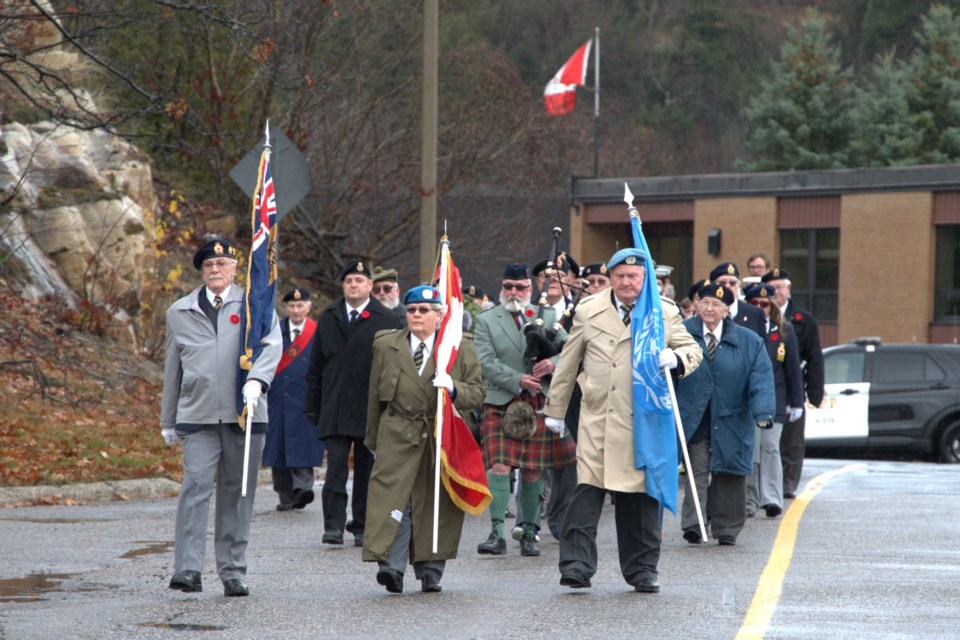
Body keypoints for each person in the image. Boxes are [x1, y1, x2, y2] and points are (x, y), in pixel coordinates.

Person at [544, 248, 702, 594]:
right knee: (585, 494)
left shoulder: (662, 311)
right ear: (611, 278)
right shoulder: (588, 310)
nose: (626, 281)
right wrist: (555, 410)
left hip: (642, 421)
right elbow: (569, 363)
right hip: (599, 417)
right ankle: (576, 565)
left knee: (640, 501)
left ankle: (642, 569)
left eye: (634, 276)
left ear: (644, 278)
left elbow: (694, 350)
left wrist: (675, 357)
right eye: (620, 276)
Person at [161, 237, 282, 597]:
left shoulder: (254, 304)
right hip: (197, 415)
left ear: (234, 268)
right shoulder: (179, 311)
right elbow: (173, 367)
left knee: (237, 493)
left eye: (223, 264)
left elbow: (272, 346)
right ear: (201, 271)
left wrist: (258, 381)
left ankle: (232, 571)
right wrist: (168, 419)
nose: (216, 270)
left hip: (244, 413)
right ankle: (187, 569)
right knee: (195, 488)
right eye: (209, 266)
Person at [363, 286, 484, 594]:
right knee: (393, 500)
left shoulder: (457, 347)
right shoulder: (386, 344)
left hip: (438, 434)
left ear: (439, 315)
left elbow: (477, 393)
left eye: (424, 310)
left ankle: (431, 570)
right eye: (412, 309)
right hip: (396, 431)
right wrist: (373, 440)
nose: (416, 315)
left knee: (434, 502)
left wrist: (454, 387)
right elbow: (375, 396)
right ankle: (392, 567)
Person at [473, 261, 576, 557]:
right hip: (502, 400)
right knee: (499, 466)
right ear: (502, 287)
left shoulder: (548, 316)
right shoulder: (487, 319)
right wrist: (518, 379)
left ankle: (530, 532)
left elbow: (570, 353)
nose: (514, 292)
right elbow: (485, 361)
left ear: (531, 289)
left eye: (520, 287)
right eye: (508, 286)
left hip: (538, 401)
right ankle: (496, 532)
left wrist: (551, 364)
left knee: (533, 469)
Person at [304, 260, 403, 547]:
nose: (354, 285)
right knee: (335, 468)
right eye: (349, 281)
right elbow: (316, 365)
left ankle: (361, 525)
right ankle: (333, 526)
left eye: (359, 281)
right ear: (342, 286)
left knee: (366, 469)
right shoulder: (330, 316)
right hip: (334, 404)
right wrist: (312, 405)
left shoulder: (386, 319)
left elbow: (395, 368)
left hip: (369, 408)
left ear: (370, 286)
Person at [676, 283, 775, 546]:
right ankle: (694, 523)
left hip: (732, 417)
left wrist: (763, 411)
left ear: (726, 310)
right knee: (697, 470)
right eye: (705, 302)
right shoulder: (682, 333)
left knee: (730, 471)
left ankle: (727, 526)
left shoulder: (749, 341)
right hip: (696, 416)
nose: (709, 309)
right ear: (697, 305)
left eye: (716, 305)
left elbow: (761, 378)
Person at [761, 268, 825, 498]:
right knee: (768, 441)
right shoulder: (759, 315)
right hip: (769, 382)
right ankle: (767, 485)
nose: (776, 292)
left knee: (792, 439)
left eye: (781, 287)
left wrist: (814, 392)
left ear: (789, 289)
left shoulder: (802, 319)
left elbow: (815, 357)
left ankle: (788, 482)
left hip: (793, 384)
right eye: (772, 288)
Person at [743, 283, 804, 518]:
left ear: (772, 305)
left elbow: (793, 370)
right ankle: (749, 500)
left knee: (769, 447)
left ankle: (771, 498)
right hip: (749, 400)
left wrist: (797, 402)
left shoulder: (784, 330)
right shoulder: (743, 328)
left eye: (764, 303)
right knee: (751, 450)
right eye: (754, 303)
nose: (760, 307)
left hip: (776, 399)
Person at [262, 288, 325, 512]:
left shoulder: (318, 332)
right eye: (291, 306)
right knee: (277, 444)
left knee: (304, 442)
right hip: (279, 396)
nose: (296, 310)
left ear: (309, 307)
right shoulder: (274, 331)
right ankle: (285, 495)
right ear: (285, 308)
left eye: (301, 306)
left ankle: (303, 487)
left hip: (306, 395)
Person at [710, 262, 766, 338]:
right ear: (714, 285)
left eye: (732, 283)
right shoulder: (708, 312)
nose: (728, 286)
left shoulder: (755, 313)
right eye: (722, 283)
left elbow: (763, 346)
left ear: (738, 286)